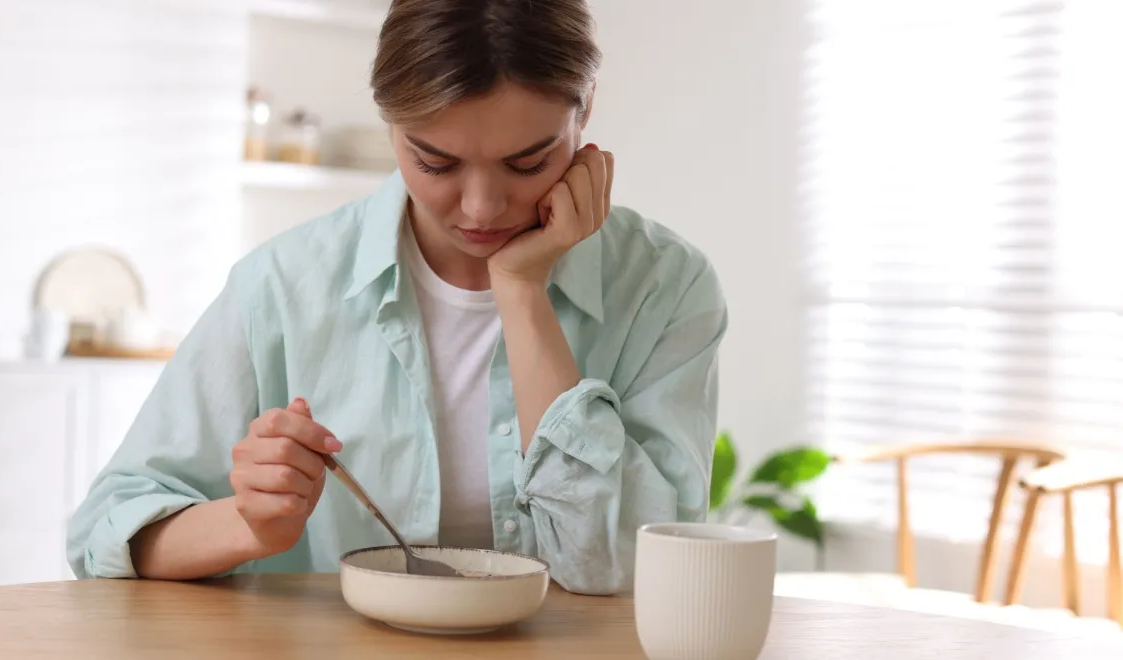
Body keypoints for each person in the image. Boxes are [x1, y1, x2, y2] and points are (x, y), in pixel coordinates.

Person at [66, 0, 727, 596]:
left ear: (584, 112)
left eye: (528, 163)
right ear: (389, 125)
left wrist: (522, 292)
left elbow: (628, 568)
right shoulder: (284, 285)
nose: (480, 207)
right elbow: (105, 530)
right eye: (435, 162)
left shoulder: (664, 288)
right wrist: (248, 525)